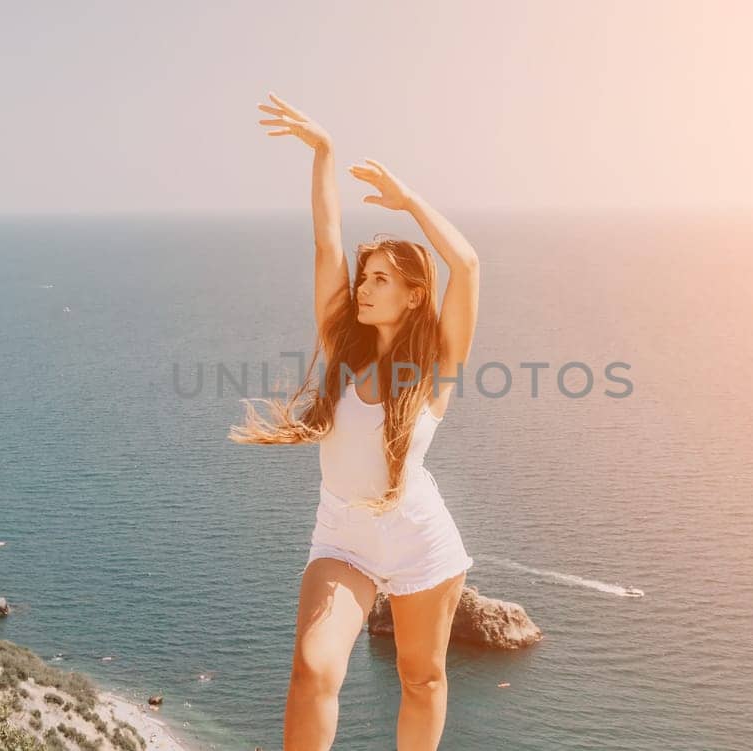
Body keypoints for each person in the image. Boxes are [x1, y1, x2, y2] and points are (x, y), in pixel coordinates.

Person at [230, 92, 482, 751]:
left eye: (379, 279)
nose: (363, 286)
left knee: (422, 678)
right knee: (313, 669)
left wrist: (411, 202)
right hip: (342, 533)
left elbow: (469, 265)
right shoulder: (343, 349)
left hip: (419, 536)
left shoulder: (435, 369)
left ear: (412, 293)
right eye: (364, 276)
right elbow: (326, 242)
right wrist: (325, 153)